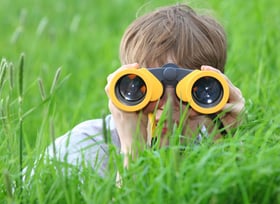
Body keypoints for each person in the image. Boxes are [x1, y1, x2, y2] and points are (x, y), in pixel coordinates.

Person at [45, 4, 245, 177]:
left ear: (215, 89)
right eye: (148, 88)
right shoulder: (85, 148)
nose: (166, 107)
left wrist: (226, 143)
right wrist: (133, 151)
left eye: (192, 89)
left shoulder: (212, 140)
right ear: (124, 86)